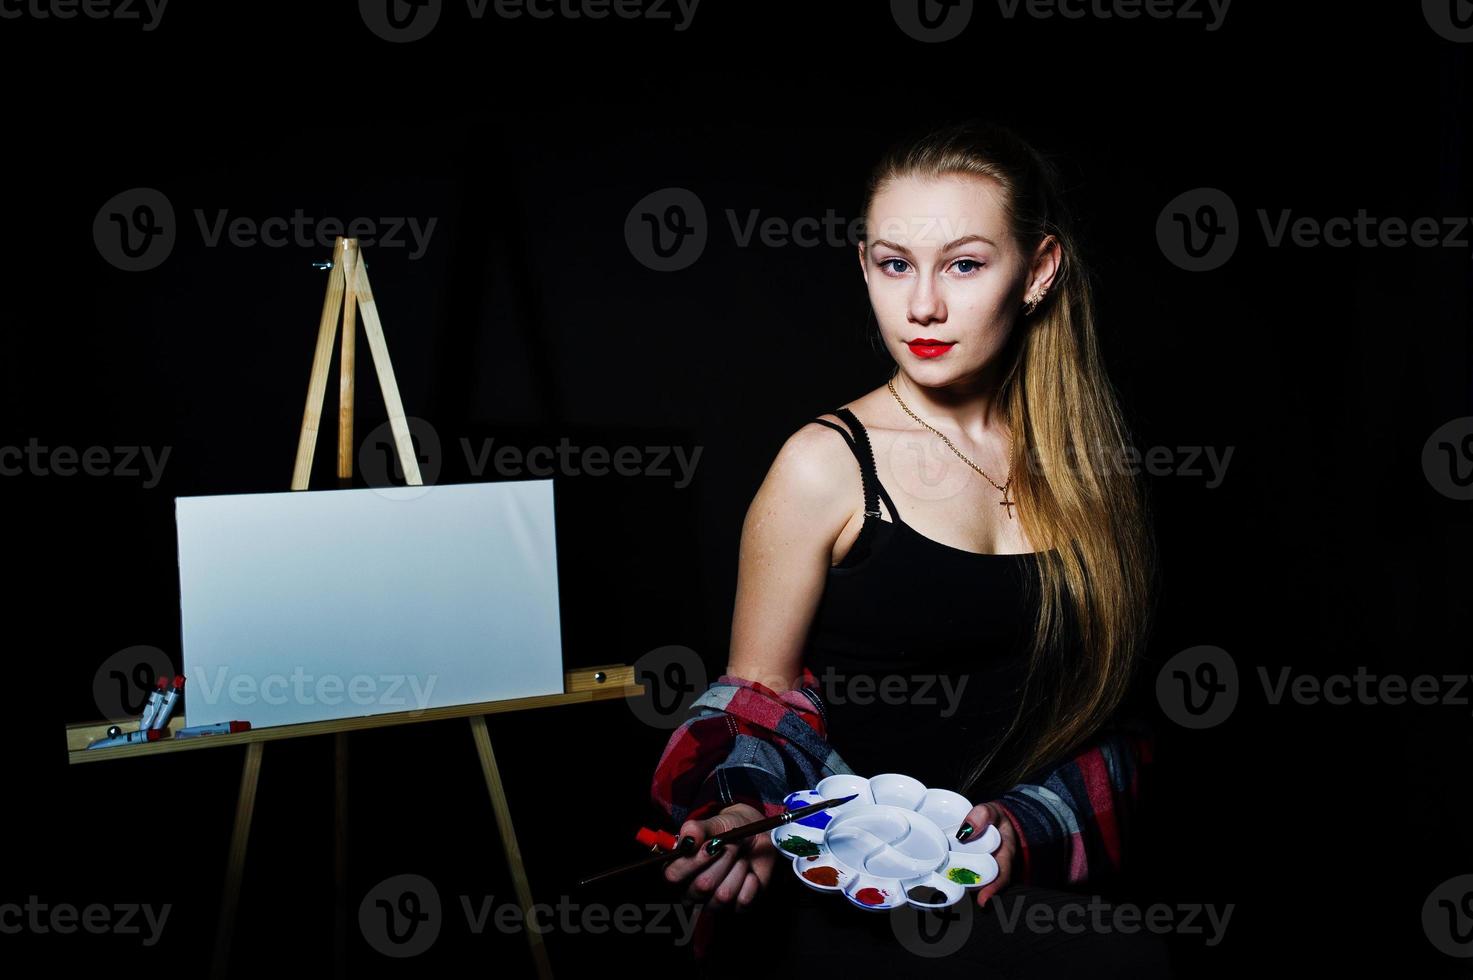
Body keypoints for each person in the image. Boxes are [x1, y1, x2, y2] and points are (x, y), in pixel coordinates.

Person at [648, 119, 1171, 978]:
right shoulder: (822, 464)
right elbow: (756, 703)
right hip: (854, 901)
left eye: (963, 265)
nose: (921, 305)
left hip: (1018, 890)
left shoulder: (1085, 462)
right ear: (865, 267)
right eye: (895, 264)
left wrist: (1025, 824)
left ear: (1037, 271)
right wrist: (740, 806)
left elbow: (1109, 709)